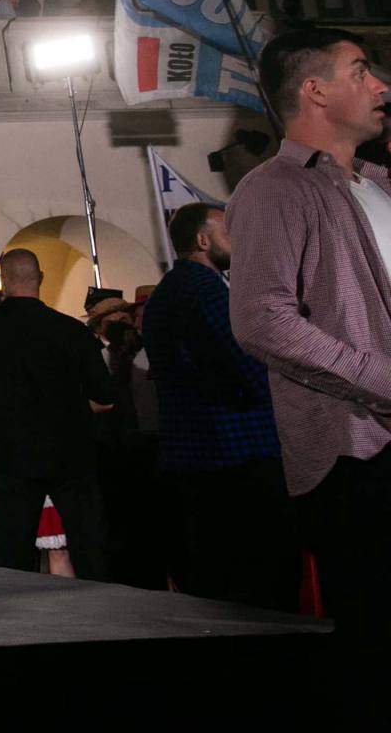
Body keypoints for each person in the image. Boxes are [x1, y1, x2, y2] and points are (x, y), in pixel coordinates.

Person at [228, 29, 391, 641]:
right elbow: (263, 320)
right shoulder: (275, 188)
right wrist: (383, 381)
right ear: (315, 90)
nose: (380, 85)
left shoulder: (378, 184)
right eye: (361, 71)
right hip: (358, 454)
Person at [141, 203, 294, 610]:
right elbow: (244, 358)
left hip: (190, 452)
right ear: (202, 240)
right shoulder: (205, 290)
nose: (238, 240)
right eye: (229, 232)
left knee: (214, 581)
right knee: (261, 577)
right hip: (237, 449)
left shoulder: (163, 296)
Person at [0, 248, 114, 580]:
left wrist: (7, 408)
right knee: (88, 547)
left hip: (12, 453)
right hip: (71, 450)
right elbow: (105, 399)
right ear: (40, 278)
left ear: (3, 280)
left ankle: (19, 623)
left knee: (14, 551)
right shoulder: (72, 331)